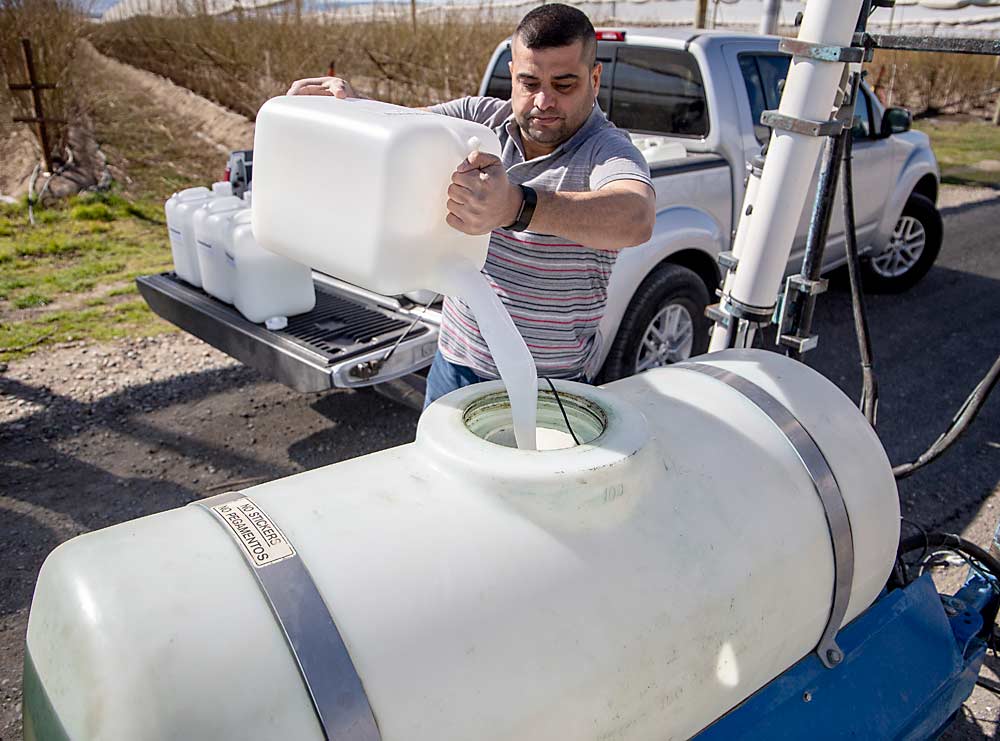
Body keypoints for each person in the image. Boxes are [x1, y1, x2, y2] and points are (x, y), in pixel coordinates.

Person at [287, 4, 655, 408]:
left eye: (564, 85)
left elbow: (636, 216)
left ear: (594, 78)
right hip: (455, 364)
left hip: (550, 384)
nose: (543, 101)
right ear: (512, 73)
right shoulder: (478, 120)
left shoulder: (606, 150)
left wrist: (518, 206)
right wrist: (352, 104)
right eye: (530, 82)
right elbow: (396, 130)